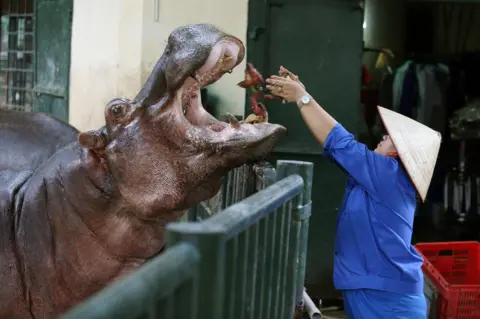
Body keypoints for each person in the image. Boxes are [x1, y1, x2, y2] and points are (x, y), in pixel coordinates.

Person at [266, 67, 441, 319]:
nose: (383, 136)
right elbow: (337, 148)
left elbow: (339, 142)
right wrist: (302, 96)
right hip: (375, 290)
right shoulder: (375, 177)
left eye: (391, 137)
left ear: (399, 154)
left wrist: (303, 98)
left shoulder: (389, 175)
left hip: (386, 298)